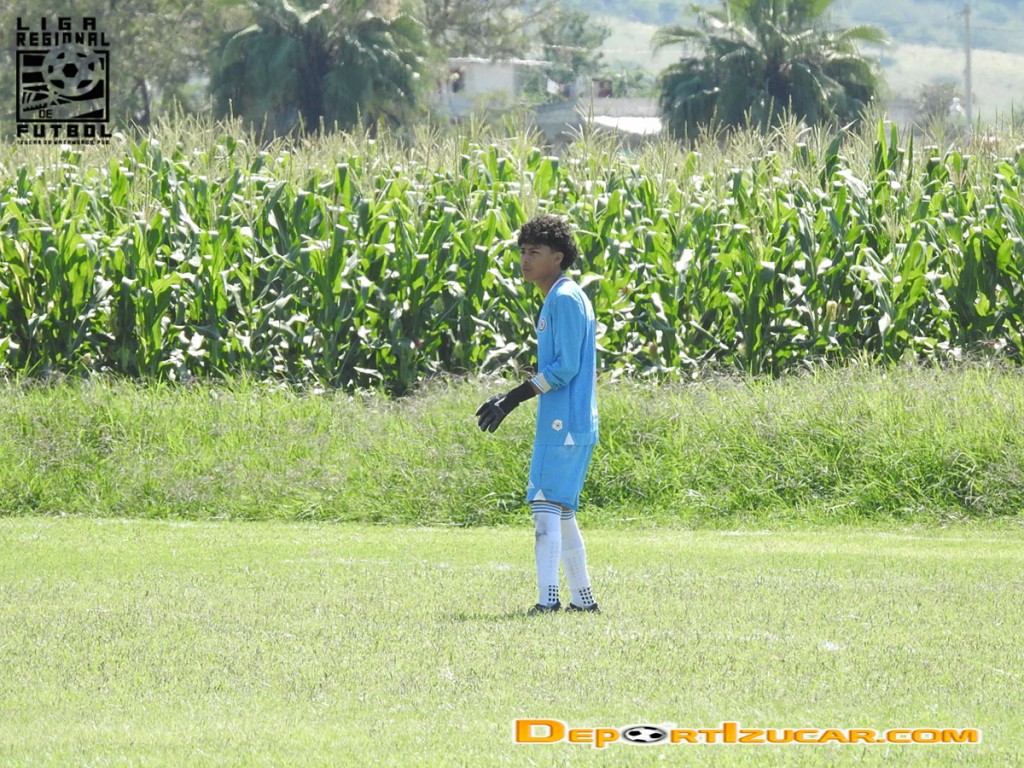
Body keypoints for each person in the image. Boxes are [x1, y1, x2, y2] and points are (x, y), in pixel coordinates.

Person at [475, 214, 600, 615]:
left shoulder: (563, 298)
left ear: (558, 257)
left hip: (563, 424)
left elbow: (564, 369)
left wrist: (511, 399)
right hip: (572, 423)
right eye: (523, 251)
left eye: (535, 252)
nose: (525, 260)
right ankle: (583, 601)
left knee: (545, 506)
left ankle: (547, 602)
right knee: (560, 511)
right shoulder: (565, 296)